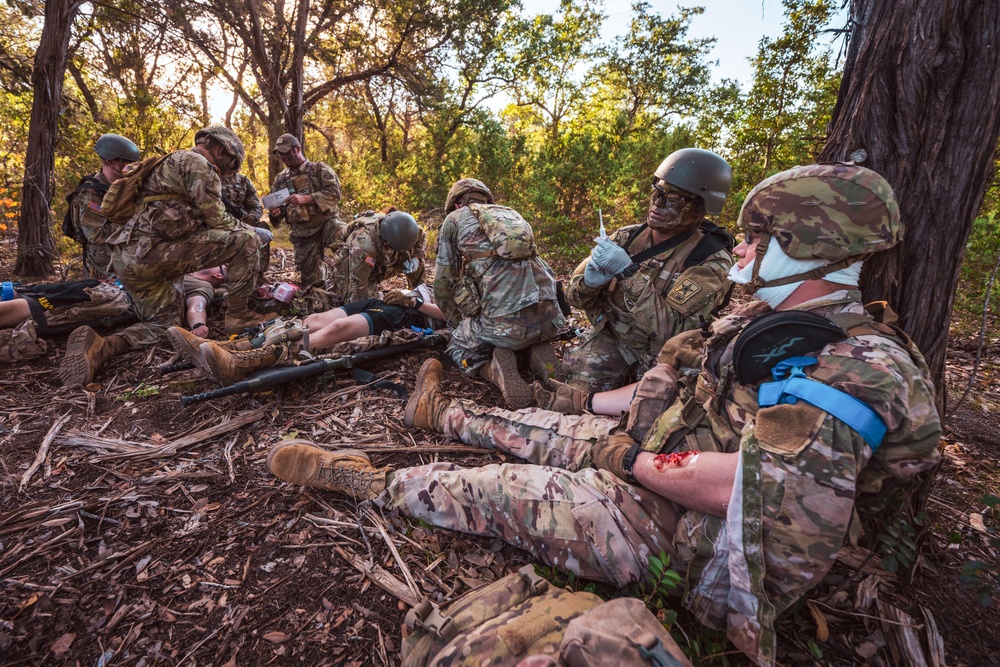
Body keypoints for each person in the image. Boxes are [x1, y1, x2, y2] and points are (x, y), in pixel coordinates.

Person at [264, 164, 942, 664]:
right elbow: (668, 364)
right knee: (539, 426)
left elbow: (753, 489)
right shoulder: (771, 317)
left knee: (500, 490)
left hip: (688, 528)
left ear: (805, 245)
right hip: (659, 454)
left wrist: (635, 461)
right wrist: (609, 409)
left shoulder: (858, 366)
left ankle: (368, 480)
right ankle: (443, 415)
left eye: (757, 237)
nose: (741, 248)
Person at [59, 126, 269, 386]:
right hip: (155, 254)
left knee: (164, 326)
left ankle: (103, 346)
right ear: (220, 149)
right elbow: (217, 219)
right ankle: (239, 317)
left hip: (129, 261)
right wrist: (252, 230)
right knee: (247, 241)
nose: (230, 169)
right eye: (231, 162)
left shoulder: (161, 164)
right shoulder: (198, 164)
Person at [554, 148, 734, 395]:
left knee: (657, 417)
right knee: (572, 398)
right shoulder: (627, 237)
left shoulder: (709, 259)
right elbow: (573, 298)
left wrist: (628, 273)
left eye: (674, 199)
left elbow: (674, 329)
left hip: (666, 355)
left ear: (701, 208)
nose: (658, 204)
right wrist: (589, 283)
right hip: (615, 339)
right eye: (657, 193)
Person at [433, 178, 565, 409]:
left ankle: (493, 369)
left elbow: (443, 284)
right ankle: (538, 355)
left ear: (455, 204)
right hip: (550, 320)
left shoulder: (454, 220)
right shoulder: (512, 216)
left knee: (457, 346)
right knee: (521, 330)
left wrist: (460, 324)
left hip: (506, 329)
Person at [165, 285, 444, 385]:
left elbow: (453, 315)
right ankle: (224, 347)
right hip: (396, 302)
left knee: (337, 331)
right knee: (310, 320)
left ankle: (242, 364)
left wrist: (415, 304)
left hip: (414, 316)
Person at [0, 268, 225, 364]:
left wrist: (198, 325)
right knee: (33, 292)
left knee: (36, 307)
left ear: (217, 274)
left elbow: (197, 305)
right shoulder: (182, 266)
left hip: (112, 301)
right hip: (99, 286)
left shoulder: (202, 286)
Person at [267, 133, 345, 286]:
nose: (283, 157)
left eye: (286, 152)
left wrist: (306, 198)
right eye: (280, 153)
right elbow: (277, 207)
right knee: (311, 281)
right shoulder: (281, 179)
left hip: (327, 224)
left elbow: (335, 194)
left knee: (348, 244)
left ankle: (347, 276)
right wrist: (275, 213)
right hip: (303, 233)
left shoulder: (319, 169)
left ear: (297, 149)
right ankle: (325, 269)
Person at [63, 133, 141, 279]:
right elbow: (96, 235)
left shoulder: (122, 185)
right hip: (102, 266)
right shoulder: (91, 193)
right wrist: (132, 223)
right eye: (125, 163)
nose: (130, 167)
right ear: (110, 162)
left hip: (124, 258)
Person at [326, 209, 426, 303]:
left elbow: (422, 235)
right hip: (354, 262)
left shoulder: (407, 228)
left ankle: (421, 295)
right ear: (387, 242)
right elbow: (358, 285)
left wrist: (416, 258)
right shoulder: (364, 244)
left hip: (383, 257)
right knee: (352, 299)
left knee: (414, 262)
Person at [221, 167, 273, 285]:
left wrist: (252, 217)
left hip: (244, 222)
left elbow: (256, 205)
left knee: (263, 227)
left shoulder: (243, 181)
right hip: (221, 223)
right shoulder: (213, 178)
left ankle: (258, 273)